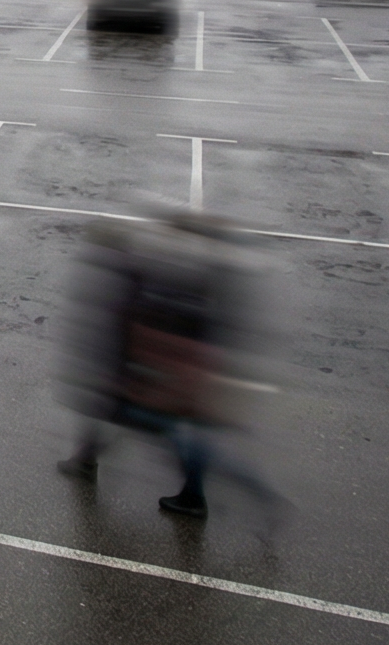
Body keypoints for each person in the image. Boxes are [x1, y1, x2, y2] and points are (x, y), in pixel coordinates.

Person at [56, 209, 280, 521]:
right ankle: (88, 459)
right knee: (119, 413)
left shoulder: (150, 275)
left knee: (155, 426)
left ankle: (235, 496)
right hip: (171, 374)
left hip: (170, 377)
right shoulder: (196, 272)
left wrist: (140, 371)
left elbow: (143, 329)